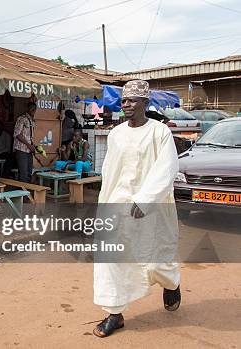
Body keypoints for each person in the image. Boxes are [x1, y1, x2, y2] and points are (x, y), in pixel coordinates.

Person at [92, 80, 181, 338]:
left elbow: (166, 169)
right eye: (123, 101)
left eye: (132, 100)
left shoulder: (159, 132)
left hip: (151, 206)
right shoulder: (116, 134)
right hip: (118, 205)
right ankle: (115, 313)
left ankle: (171, 282)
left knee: (155, 259)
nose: (126, 105)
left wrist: (145, 200)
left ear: (145, 103)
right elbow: (109, 172)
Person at [13, 103, 46, 183]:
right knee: (23, 174)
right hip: (21, 150)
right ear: (28, 108)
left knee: (28, 173)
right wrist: (29, 145)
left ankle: (27, 192)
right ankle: (22, 193)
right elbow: (17, 134)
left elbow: (29, 137)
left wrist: (34, 146)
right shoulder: (22, 119)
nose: (33, 110)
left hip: (29, 151)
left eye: (34, 109)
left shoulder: (32, 120)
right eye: (31, 108)